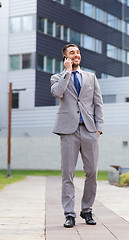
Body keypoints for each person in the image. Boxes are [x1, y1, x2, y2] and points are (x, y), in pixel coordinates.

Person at [50, 43, 104, 228]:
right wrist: (67, 72)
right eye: (72, 53)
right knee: (68, 174)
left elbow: (98, 104)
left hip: (89, 130)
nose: (76, 55)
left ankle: (87, 210)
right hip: (68, 131)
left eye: (78, 52)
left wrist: (99, 129)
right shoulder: (57, 77)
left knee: (92, 172)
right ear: (65, 57)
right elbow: (58, 93)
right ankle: (69, 214)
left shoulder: (91, 77)